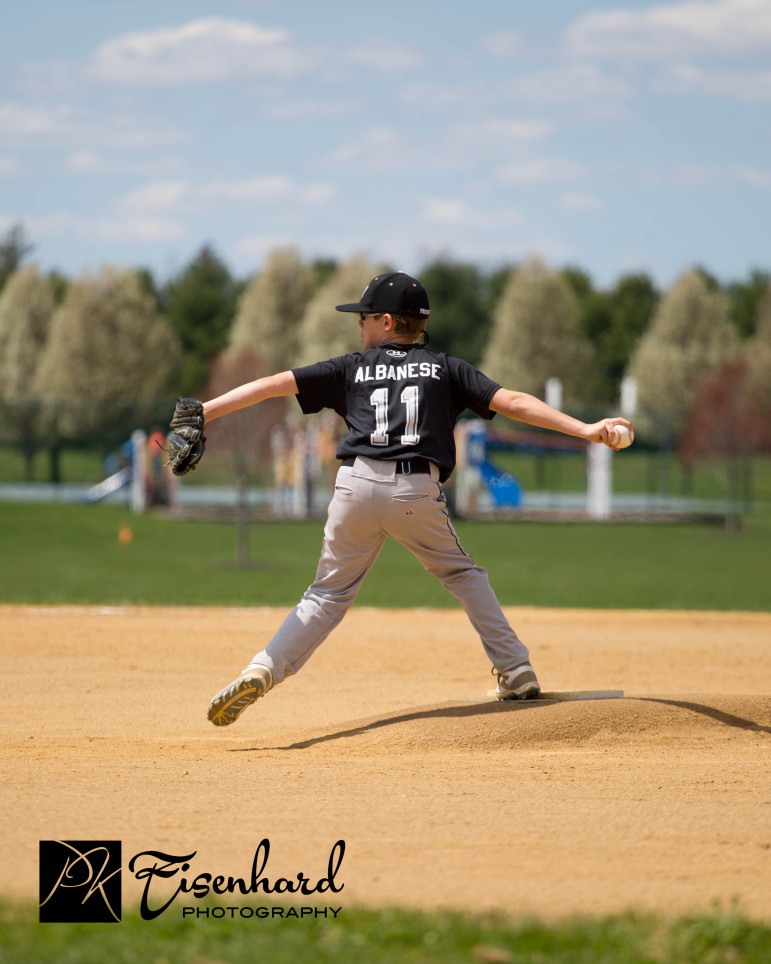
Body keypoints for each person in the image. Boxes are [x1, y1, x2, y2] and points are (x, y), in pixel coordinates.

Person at [198, 271, 633, 727]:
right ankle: (516, 669)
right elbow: (516, 402)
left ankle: (261, 670)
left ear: (387, 322)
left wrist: (206, 412)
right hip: (415, 488)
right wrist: (585, 429)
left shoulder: (352, 366)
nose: (359, 326)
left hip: (354, 486)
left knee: (326, 593)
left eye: (363, 318)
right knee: (463, 574)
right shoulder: (446, 367)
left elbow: (271, 384)